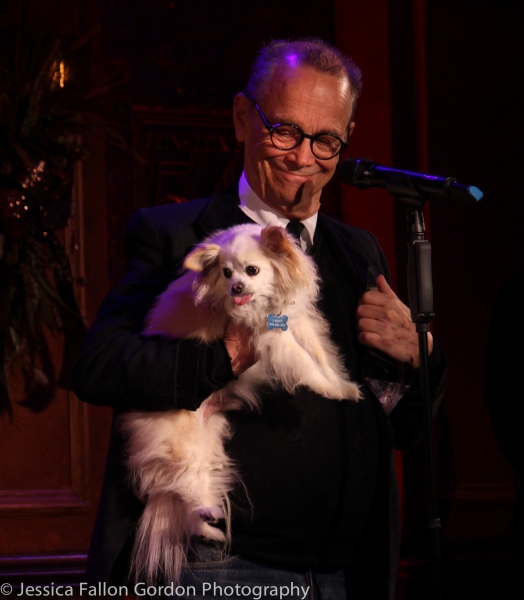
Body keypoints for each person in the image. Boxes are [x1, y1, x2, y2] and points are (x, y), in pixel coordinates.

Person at [72, 38, 447, 600]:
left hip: (348, 573)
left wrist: (422, 358)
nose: (303, 158)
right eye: (285, 131)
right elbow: (98, 365)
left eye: (325, 141)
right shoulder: (179, 234)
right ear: (243, 118)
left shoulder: (358, 253)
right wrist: (223, 355)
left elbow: (403, 424)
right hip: (222, 567)